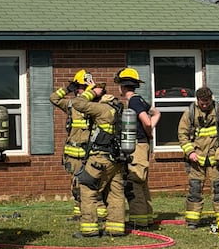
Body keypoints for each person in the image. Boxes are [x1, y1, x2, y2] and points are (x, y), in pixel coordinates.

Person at [70, 83, 130, 238]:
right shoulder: (120, 110)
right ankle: (116, 229)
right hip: (116, 160)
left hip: (99, 158)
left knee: (87, 189)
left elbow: (78, 103)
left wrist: (91, 92)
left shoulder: (102, 108)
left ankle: (89, 229)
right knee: (115, 193)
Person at [177, 86, 219, 234]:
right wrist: (190, 152)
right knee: (195, 190)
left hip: (216, 159)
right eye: (202, 103)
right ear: (197, 101)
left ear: (211, 99)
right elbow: (182, 135)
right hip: (196, 160)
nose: (205, 105)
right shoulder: (190, 113)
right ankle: (192, 221)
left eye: (207, 102)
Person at [49, 70, 107, 221]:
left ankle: (100, 213)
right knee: (75, 185)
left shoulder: (95, 105)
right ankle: (78, 213)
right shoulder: (71, 104)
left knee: (92, 184)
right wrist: (67, 88)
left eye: (79, 87)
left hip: (89, 153)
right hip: (73, 154)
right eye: (76, 87)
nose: (77, 90)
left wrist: (93, 91)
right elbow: (54, 98)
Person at [115, 68, 160, 230]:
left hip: (137, 146)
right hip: (141, 145)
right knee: (141, 183)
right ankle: (146, 218)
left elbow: (147, 121)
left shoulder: (133, 101)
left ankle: (139, 221)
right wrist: (150, 134)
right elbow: (153, 113)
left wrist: (150, 129)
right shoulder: (139, 100)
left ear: (123, 86)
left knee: (134, 181)